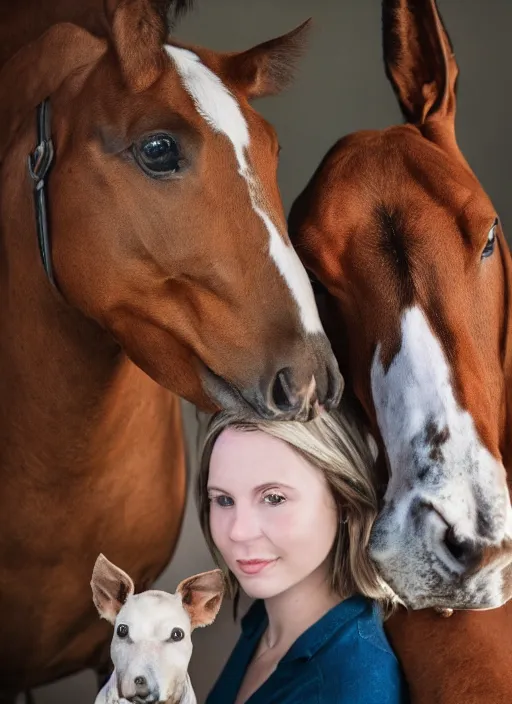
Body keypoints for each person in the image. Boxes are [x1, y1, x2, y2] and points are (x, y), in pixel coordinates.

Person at [195, 403, 409, 704]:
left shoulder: (352, 685)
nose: (238, 532)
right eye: (224, 500)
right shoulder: (265, 624)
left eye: (273, 498)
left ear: (343, 500)